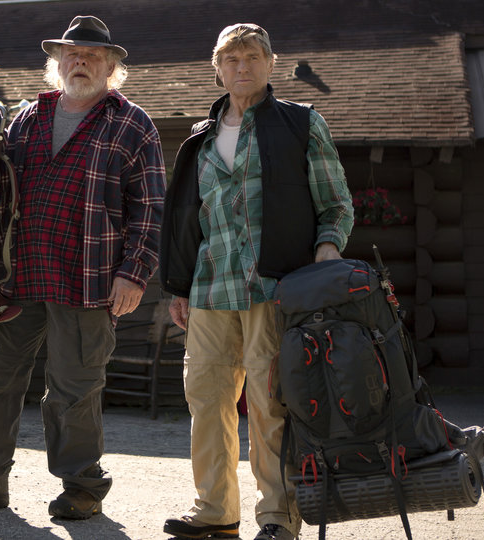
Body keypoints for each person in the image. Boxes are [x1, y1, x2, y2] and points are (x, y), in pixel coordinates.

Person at [0, 15, 165, 520]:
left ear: (112, 68)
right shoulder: (27, 117)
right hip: (15, 273)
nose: (80, 62)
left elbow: (150, 208)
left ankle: (82, 488)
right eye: (71, 54)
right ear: (57, 63)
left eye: (93, 56)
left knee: (74, 390)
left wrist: (134, 272)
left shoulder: (132, 124)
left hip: (89, 277)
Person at [158, 23, 353, 540]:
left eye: (252, 57)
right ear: (217, 70)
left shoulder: (300, 123)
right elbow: (187, 219)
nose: (242, 67)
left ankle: (277, 516)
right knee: (207, 402)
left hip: (275, 288)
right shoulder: (199, 138)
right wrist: (178, 285)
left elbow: (336, 204)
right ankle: (215, 511)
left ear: (270, 64)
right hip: (209, 290)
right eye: (232, 59)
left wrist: (327, 249)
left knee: (271, 405)